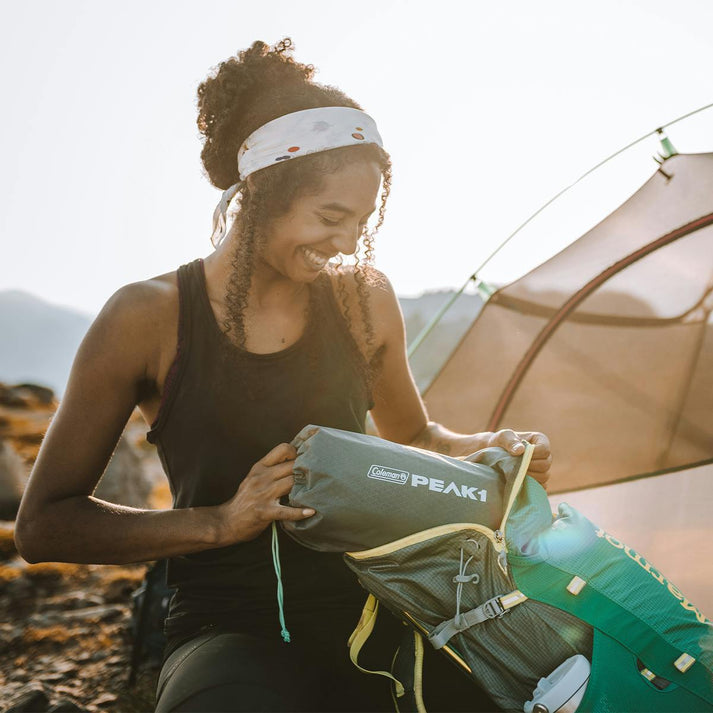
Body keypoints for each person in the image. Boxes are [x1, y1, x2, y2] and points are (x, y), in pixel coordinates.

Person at [15, 39, 552, 712]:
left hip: (385, 606)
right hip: (227, 625)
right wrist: (217, 523)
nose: (348, 242)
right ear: (262, 192)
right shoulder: (147, 317)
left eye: (361, 221)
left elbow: (413, 436)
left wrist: (494, 448)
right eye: (331, 217)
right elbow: (45, 526)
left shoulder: (362, 300)